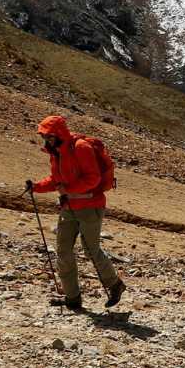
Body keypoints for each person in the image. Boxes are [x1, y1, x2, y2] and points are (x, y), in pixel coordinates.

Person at [26, 115, 125, 310]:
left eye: (49, 136)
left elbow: (93, 179)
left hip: (90, 206)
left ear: (59, 134)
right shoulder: (56, 152)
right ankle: (72, 297)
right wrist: (36, 187)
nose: (46, 140)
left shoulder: (81, 147)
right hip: (69, 207)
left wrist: (68, 190)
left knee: (90, 250)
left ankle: (115, 285)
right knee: (63, 251)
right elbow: (57, 180)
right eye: (44, 137)